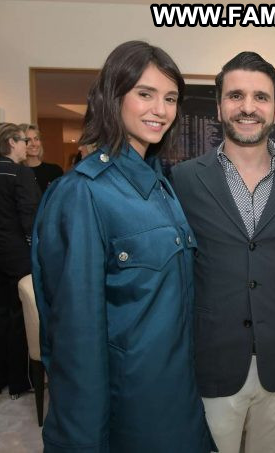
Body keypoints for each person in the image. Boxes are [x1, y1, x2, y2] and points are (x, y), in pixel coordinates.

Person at [32, 41, 214, 452]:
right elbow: (76, 342)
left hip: (177, 396)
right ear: (113, 97)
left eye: (170, 99)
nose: (160, 110)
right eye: (145, 94)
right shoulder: (82, 193)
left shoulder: (161, 186)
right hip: (129, 410)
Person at [171, 51, 275, 453]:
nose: (248, 107)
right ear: (219, 106)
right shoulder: (184, 179)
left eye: (261, 97)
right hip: (212, 359)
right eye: (236, 96)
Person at [0, 123, 40, 398]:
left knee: (2, 312)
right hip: (17, 255)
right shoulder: (20, 173)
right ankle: (20, 382)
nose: (27, 145)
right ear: (11, 142)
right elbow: (30, 218)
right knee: (21, 317)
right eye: (23, 140)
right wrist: (36, 249)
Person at [19, 123, 64, 193]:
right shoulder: (16, 172)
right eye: (28, 140)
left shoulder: (55, 170)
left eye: (36, 139)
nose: (34, 144)